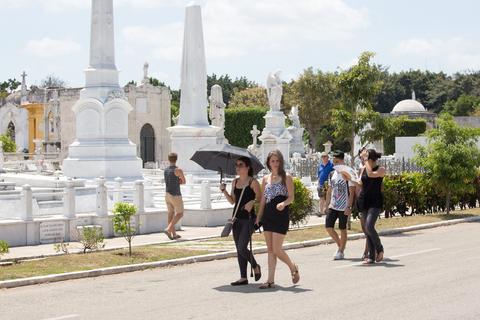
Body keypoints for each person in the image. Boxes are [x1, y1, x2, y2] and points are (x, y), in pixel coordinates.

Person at [256, 149, 299, 289]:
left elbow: (291, 197)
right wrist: (259, 216)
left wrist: (284, 203)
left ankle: (292, 266)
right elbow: (263, 199)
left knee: (277, 249)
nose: (275, 163)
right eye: (272, 161)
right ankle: (270, 280)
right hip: (268, 215)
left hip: (280, 215)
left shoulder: (287, 177)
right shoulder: (265, 179)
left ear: (281, 162)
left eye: (277, 161)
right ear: (268, 162)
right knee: (270, 249)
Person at [220, 157, 262, 286]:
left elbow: (260, 197)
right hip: (236, 219)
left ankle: (255, 266)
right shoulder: (235, 182)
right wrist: (224, 191)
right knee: (239, 249)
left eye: (241, 164)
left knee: (242, 247)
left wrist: (252, 201)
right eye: (236, 165)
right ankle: (243, 277)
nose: (237, 167)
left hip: (249, 219)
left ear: (247, 167)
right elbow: (233, 201)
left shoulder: (253, 182)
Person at [325, 151, 356, 260]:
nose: (335, 164)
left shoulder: (349, 172)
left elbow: (352, 192)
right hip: (333, 205)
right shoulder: (332, 174)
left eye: (337, 162)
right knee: (328, 227)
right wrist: (326, 203)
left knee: (342, 228)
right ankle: (340, 246)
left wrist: (349, 206)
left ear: (342, 160)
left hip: (344, 206)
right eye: (333, 162)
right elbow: (330, 189)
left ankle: (341, 250)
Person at [358, 149, 385, 264]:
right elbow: (359, 183)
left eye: (365, 158)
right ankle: (371, 256)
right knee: (366, 229)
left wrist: (365, 160)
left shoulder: (381, 169)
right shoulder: (364, 168)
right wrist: (348, 178)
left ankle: (380, 249)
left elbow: (370, 174)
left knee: (369, 226)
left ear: (371, 159)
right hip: (365, 200)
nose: (363, 160)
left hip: (375, 201)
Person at [164, 153, 186, 240]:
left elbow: (170, 181)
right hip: (175, 194)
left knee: (170, 214)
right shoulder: (178, 170)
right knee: (180, 214)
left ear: (169, 159)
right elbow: (184, 181)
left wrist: (178, 181)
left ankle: (174, 234)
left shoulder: (166, 170)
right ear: (176, 159)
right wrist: (180, 180)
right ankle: (168, 229)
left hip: (167, 194)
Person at [317, 152, 334, 216]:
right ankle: (320, 212)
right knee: (321, 198)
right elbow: (319, 176)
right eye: (322, 156)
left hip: (328, 184)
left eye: (325, 156)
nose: (323, 158)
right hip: (321, 184)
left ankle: (326, 210)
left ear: (328, 157)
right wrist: (318, 184)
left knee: (327, 198)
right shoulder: (320, 166)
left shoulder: (331, 165)